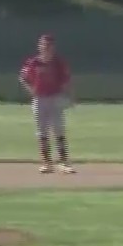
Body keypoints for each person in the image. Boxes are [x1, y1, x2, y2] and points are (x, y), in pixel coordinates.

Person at [20, 34, 75, 174]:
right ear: (39, 46)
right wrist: (31, 91)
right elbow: (23, 78)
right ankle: (47, 163)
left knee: (58, 129)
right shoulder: (33, 62)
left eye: (49, 45)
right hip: (40, 99)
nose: (46, 47)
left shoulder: (59, 62)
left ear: (53, 47)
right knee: (42, 131)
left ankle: (64, 162)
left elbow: (66, 80)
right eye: (44, 44)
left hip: (55, 98)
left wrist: (68, 96)